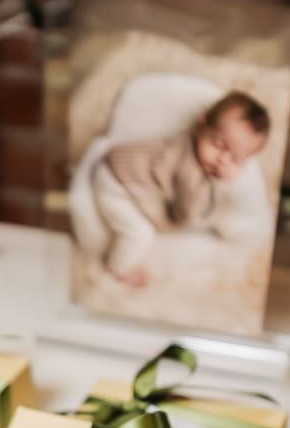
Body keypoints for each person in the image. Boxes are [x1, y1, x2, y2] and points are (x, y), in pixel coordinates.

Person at [92, 89, 271, 285]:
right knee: (139, 234)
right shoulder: (188, 170)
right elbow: (187, 215)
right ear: (201, 126)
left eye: (236, 159)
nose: (222, 160)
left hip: (119, 165)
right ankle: (117, 268)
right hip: (114, 183)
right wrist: (220, 182)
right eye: (218, 145)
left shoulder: (191, 142)